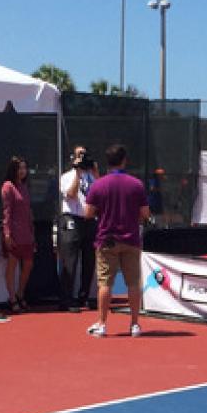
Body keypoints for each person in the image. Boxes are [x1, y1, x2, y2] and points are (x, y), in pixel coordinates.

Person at [83, 144, 150, 337]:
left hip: (106, 240)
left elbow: (88, 213)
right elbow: (145, 214)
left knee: (105, 283)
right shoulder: (136, 185)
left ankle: (102, 324)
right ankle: (135, 324)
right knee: (133, 283)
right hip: (131, 239)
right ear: (124, 160)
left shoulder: (98, 185)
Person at [57, 143, 99, 311]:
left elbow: (101, 192)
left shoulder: (92, 176)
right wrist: (78, 172)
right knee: (70, 260)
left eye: (85, 154)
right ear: (73, 158)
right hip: (71, 219)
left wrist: (94, 171)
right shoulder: (66, 176)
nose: (82, 157)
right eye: (79, 155)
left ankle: (84, 296)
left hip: (89, 220)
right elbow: (72, 194)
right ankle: (66, 299)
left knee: (89, 261)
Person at [1, 156, 36, 312]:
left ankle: (20, 293)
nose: (22, 171)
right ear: (13, 169)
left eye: (24, 168)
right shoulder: (8, 186)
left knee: (28, 264)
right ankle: (12, 298)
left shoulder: (24, 186)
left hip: (26, 233)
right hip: (14, 232)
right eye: (19, 168)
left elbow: (28, 212)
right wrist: (7, 234)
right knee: (12, 265)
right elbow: (7, 212)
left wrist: (32, 232)